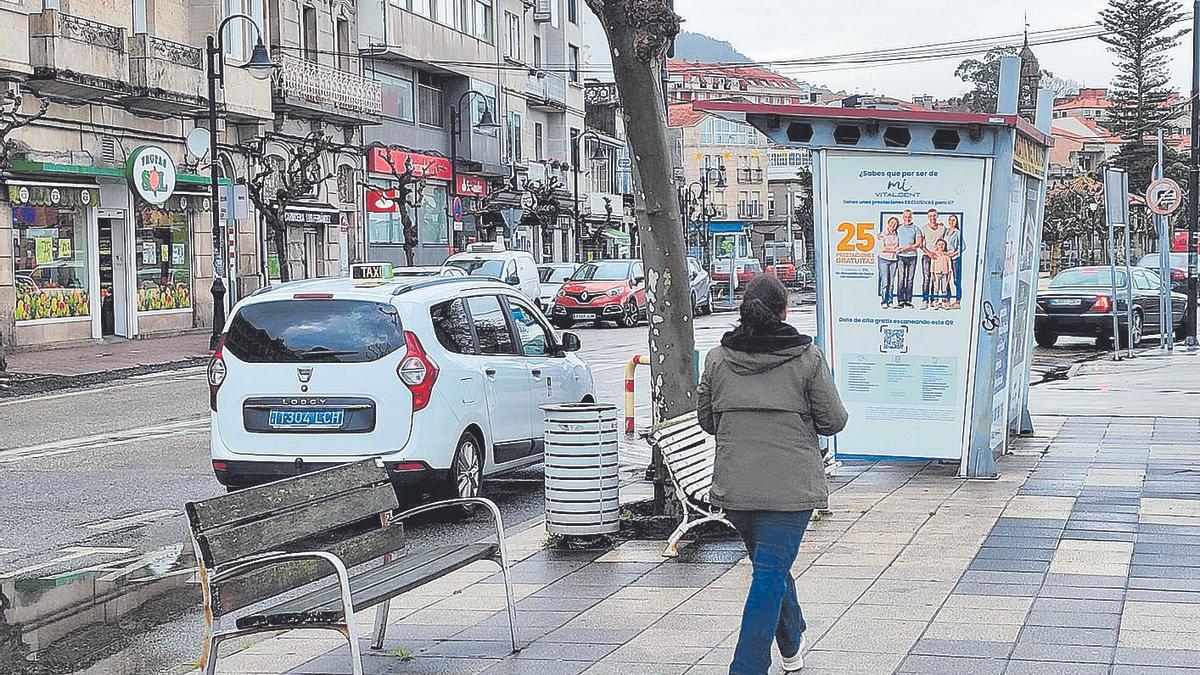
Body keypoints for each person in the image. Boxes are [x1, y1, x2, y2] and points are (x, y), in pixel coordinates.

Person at [697, 274, 849, 675]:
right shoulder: (807, 358)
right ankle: (745, 668)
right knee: (769, 574)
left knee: (771, 569)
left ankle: (792, 637)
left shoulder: (717, 359)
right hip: (790, 490)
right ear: (784, 312)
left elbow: (707, 421)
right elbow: (833, 420)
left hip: (738, 489)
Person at [917, 208, 945, 309]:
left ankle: (933, 300)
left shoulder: (942, 228)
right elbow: (920, 245)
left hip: (937, 257)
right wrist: (929, 253)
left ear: (937, 216)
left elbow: (944, 242)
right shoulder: (924, 228)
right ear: (928, 217)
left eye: (934, 215)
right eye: (930, 216)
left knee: (935, 278)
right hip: (927, 256)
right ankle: (925, 300)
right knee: (927, 278)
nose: (932, 217)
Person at [895, 210, 919, 308]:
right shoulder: (899, 228)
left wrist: (906, 248)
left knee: (910, 279)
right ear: (903, 217)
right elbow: (889, 232)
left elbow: (918, 244)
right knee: (901, 279)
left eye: (909, 217)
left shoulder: (916, 229)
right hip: (901, 257)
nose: (907, 219)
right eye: (905, 217)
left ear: (911, 217)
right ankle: (900, 301)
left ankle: (908, 300)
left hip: (912, 257)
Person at [878, 217, 900, 308]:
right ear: (888, 223)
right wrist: (895, 250)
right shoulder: (882, 234)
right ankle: (884, 301)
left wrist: (894, 251)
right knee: (885, 282)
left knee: (891, 283)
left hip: (894, 260)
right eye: (891, 223)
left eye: (895, 224)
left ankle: (890, 301)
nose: (893, 225)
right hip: (884, 259)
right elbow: (882, 249)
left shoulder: (897, 234)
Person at [943, 214, 963, 309]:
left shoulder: (957, 232)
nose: (951, 222)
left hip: (954, 258)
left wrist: (954, 253)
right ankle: (947, 298)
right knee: (946, 278)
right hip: (946, 258)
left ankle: (958, 301)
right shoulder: (946, 231)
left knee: (956, 280)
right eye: (950, 220)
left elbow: (963, 246)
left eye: (953, 220)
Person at [929, 239, 953, 308]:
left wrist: (949, 274)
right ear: (936, 245)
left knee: (944, 288)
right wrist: (932, 273)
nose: (941, 246)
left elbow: (949, 265)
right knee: (936, 288)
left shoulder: (946, 255)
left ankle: (944, 302)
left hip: (945, 274)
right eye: (939, 244)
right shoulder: (934, 254)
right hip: (936, 273)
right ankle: (936, 302)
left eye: (942, 244)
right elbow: (932, 265)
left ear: (945, 246)